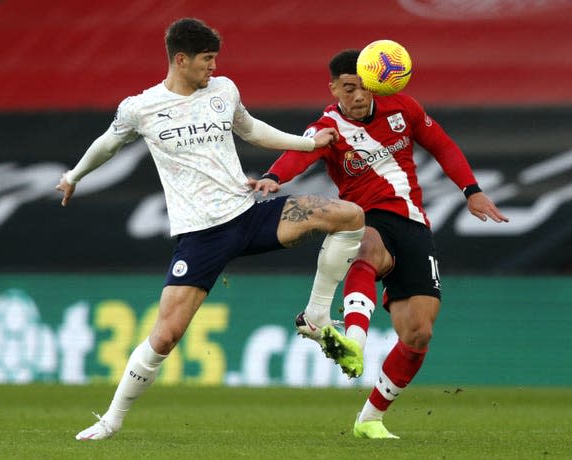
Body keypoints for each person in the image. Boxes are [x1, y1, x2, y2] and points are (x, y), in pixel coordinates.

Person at [56, 19, 365, 441]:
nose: (213, 67)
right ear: (180, 60)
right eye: (206, 60)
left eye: (215, 59)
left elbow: (252, 129)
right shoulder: (140, 108)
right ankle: (111, 420)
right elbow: (108, 144)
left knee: (348, 215)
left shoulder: (224, 91)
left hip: (248, 214)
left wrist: (309, 144)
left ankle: (316, 317)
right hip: (201, 235)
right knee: (165, 336)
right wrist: (74, 175)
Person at [252, 49, 508, 439]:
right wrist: (274, 176)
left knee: (418, 333)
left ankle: (369, 418)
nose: (358, 96)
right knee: (367, 247)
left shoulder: (402, 107)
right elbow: (297, 155)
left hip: (413, 223)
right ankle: (354, 341)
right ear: (334, 87)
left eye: (364, 87)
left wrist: (471, 190)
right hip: (364, 216)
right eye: (348, 88)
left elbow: (442, 146)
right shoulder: (328, 126)